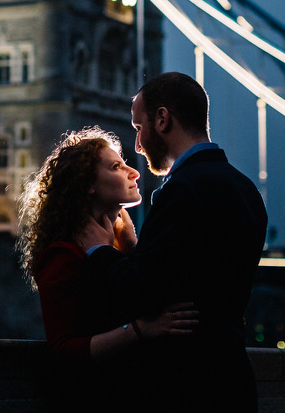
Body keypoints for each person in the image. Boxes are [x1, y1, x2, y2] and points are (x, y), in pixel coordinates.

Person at [81, 72, 268, 410]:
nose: (137, 145)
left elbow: (143, 293)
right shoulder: (247, 190)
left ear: (163, 119)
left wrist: (99, 250)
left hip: (186, 385)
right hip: (235, 380)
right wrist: (139, 253)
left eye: (139, 129)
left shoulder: (182, 190)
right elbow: (188, 274)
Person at [17, 126, 197, 403]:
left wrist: (132, 251)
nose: (134, 172)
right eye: (116, 166)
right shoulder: (63, 255)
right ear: (87, 183)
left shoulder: (121, 250)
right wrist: (140, 330)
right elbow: (63, 349)